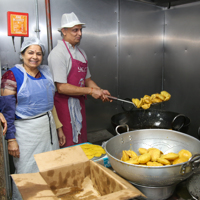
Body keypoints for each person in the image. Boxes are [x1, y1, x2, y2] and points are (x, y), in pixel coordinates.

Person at [1, 37, 66, 200]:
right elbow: (7, 111)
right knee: (27, 171)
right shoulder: (12, 75)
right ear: (22, 54)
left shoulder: (46, 72)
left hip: (48, 127)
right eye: (30, 52)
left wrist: (59, 128)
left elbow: (51, 104)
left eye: (38, 53)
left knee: (50, 167)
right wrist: (11, 140)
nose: (34, 57)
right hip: (26, 132)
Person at [48, 12, 111, 147]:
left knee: (82, 143)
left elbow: (87, 79)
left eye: (80, 30)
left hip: (79, 104)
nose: (79, 33)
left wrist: (100, 91)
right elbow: (61, 87)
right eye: (75, 30)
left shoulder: (81, 53)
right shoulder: (57, 53)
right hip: (63, 108)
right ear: (64, 31)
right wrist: (90, 91)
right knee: (69, 145)